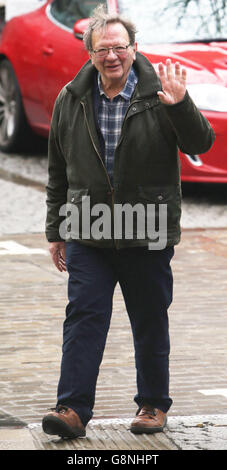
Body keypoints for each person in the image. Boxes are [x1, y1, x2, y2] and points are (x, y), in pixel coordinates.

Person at [42, 5, 215, 439]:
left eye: (120, 47)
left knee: (149, 318)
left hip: (147, 228)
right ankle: (72, 410)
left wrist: (180, 105)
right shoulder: (71, 98)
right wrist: (55, 231)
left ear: (134, 49)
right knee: (84, 315)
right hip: (89, 228)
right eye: (103, 49)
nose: (112, 55)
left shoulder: (161, 93)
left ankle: (153, 405)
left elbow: (201, 143)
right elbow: (58, 170)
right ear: (90, 54)